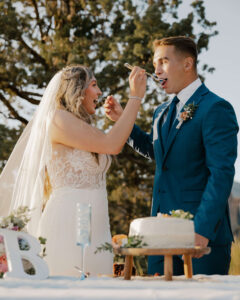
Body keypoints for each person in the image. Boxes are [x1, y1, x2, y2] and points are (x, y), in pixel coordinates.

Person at [104, 36, 239, 275]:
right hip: (160, 236)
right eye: (155, 63)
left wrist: (203, 229)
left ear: (188, 64)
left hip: (200, 237)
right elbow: (153, 149)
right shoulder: (161, 112)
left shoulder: (216, 108)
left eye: (163, 62)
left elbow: (222, 173)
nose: (156, 71)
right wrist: (123, 119)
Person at [0, 64, 146, 276]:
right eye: (94, 85)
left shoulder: (82, 125)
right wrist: (136, 98)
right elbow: (111, 144)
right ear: (77, 90)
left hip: (98, 226)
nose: (100, 92)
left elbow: (111, 142)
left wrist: (121, 116)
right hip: (68, 223)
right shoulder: (57, 119)